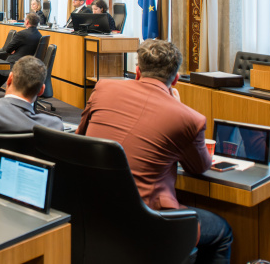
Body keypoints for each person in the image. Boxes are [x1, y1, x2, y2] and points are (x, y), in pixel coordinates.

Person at [78, 39, 233, 263]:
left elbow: (80, 138)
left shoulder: (103, 89)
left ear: (137, 72)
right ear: (175, 80)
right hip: (148, 221)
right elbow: (199, 167)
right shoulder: (189, 118)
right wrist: (177, 105)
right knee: (223, 232)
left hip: (91, 210)